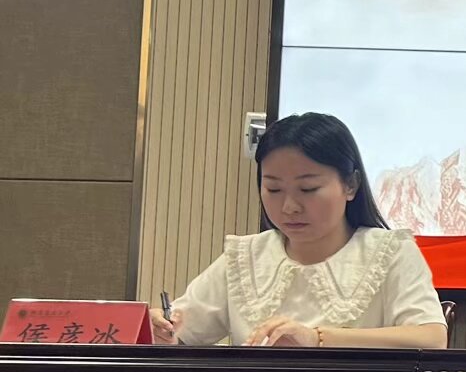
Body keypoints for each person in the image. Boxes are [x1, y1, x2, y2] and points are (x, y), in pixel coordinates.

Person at [152, 112, 448, 349]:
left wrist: (317, 338)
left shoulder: (390, 251)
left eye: (308, 189)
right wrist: (159, 330)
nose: (289, 206)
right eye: (274, 189)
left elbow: (431, 338)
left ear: (351, 185)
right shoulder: (245, 257)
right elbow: (184, 333)